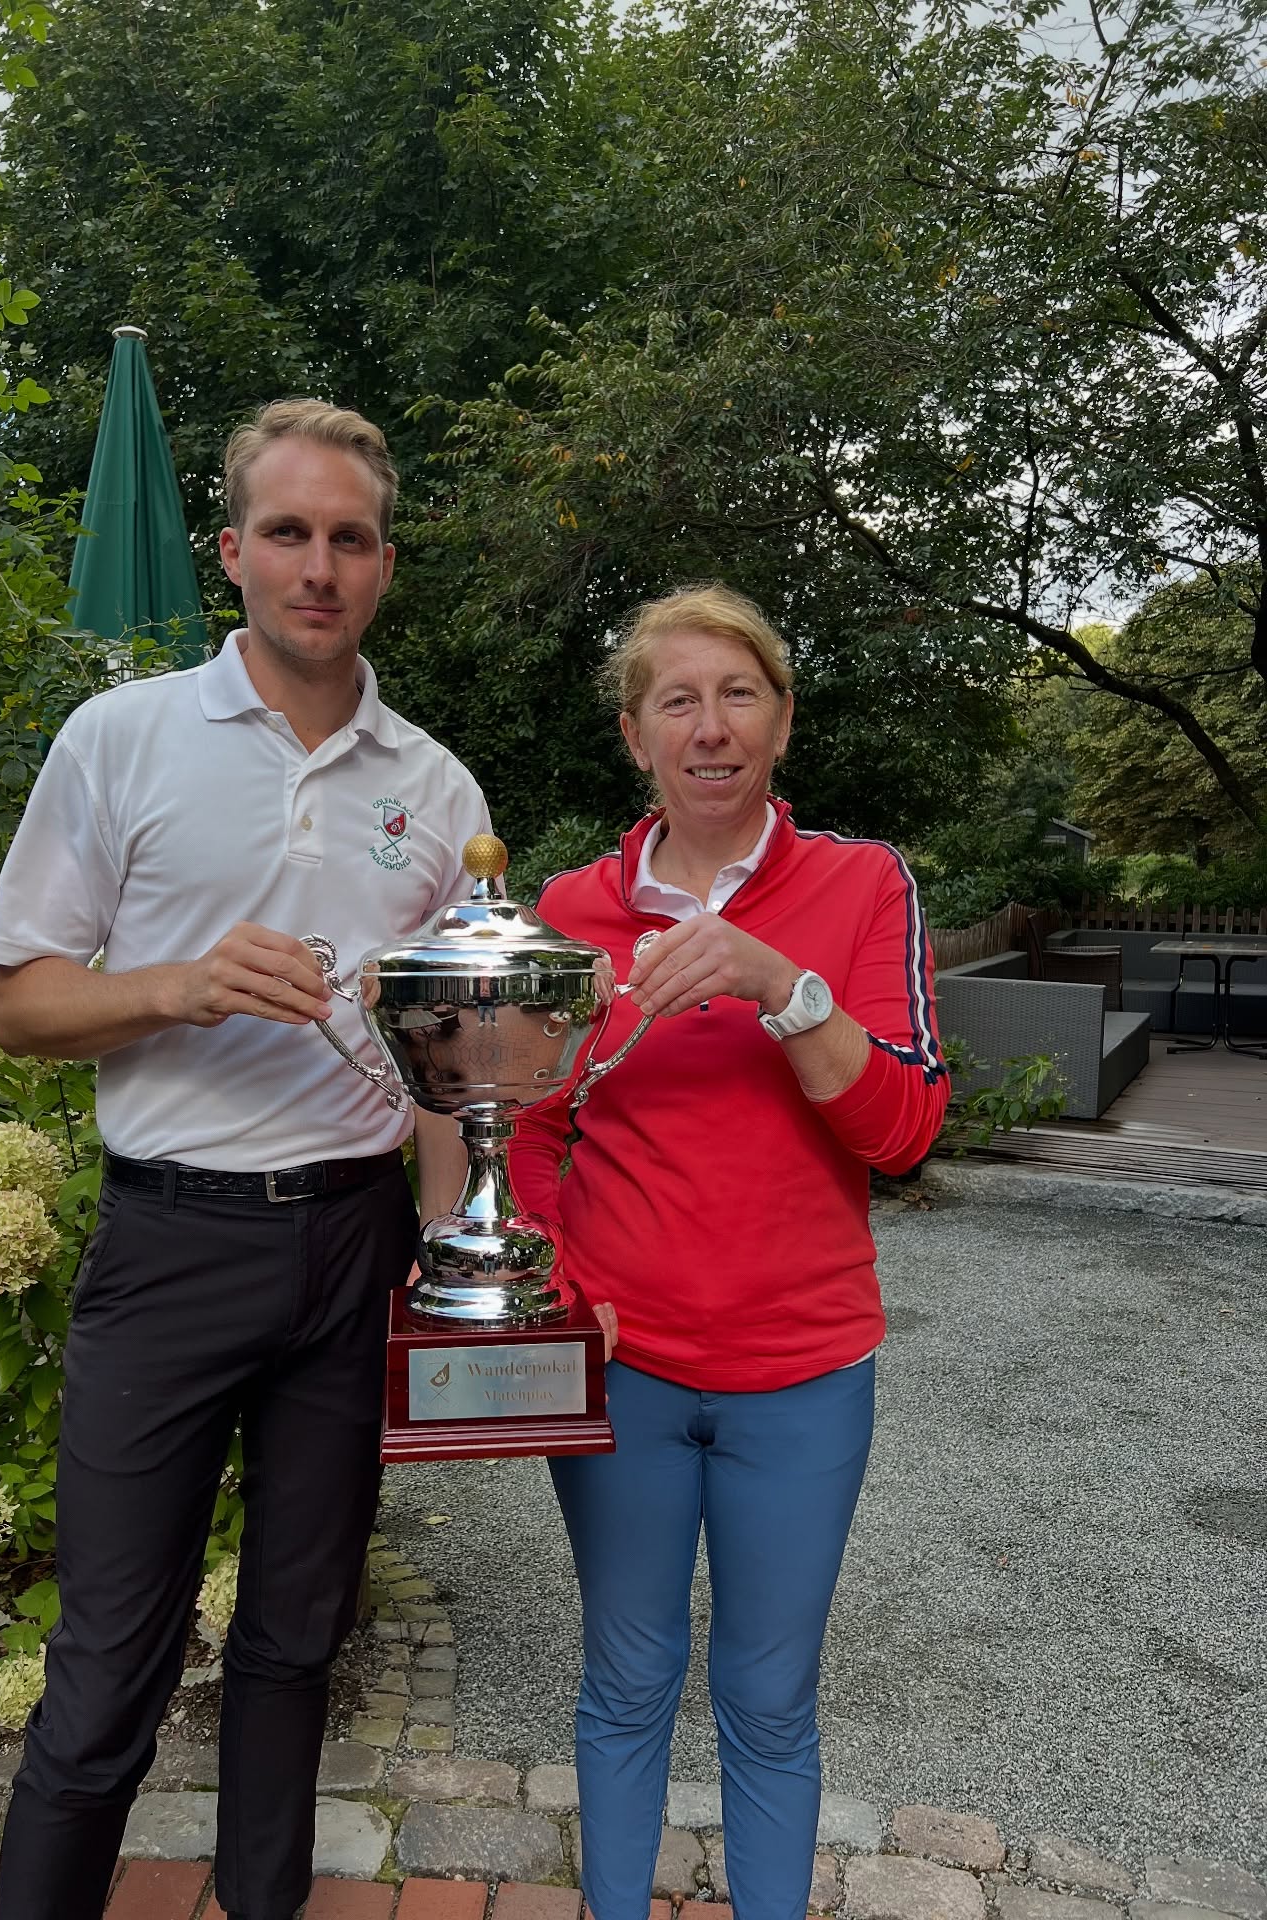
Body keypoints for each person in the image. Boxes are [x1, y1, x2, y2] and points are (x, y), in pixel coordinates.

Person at [0, 398, 491, 1920]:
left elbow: (451, 1079)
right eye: (288, 532)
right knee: (108, 1666)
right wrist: (179, 983)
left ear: (384, 563)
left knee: (294, 1644)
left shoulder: (442, 795)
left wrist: (455, 1268)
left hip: (349, 1252)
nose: (317, 565)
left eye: (348, 538)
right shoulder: (120, 737)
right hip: (171, 1248)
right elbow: (18, 1001)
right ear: (234, 551)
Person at [509, 584, 950, 1920]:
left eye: (739, 694)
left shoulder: (860, 884)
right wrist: (558, 1291)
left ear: (782, 720)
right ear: (636, 736)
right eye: (678, 701)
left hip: (805, 1374)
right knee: (626, 1682)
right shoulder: (570, 908)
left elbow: (903, 1133)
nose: (712, 727)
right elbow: (524, 1134)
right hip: (624, 1370)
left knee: (769, 1698)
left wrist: (778, 984)